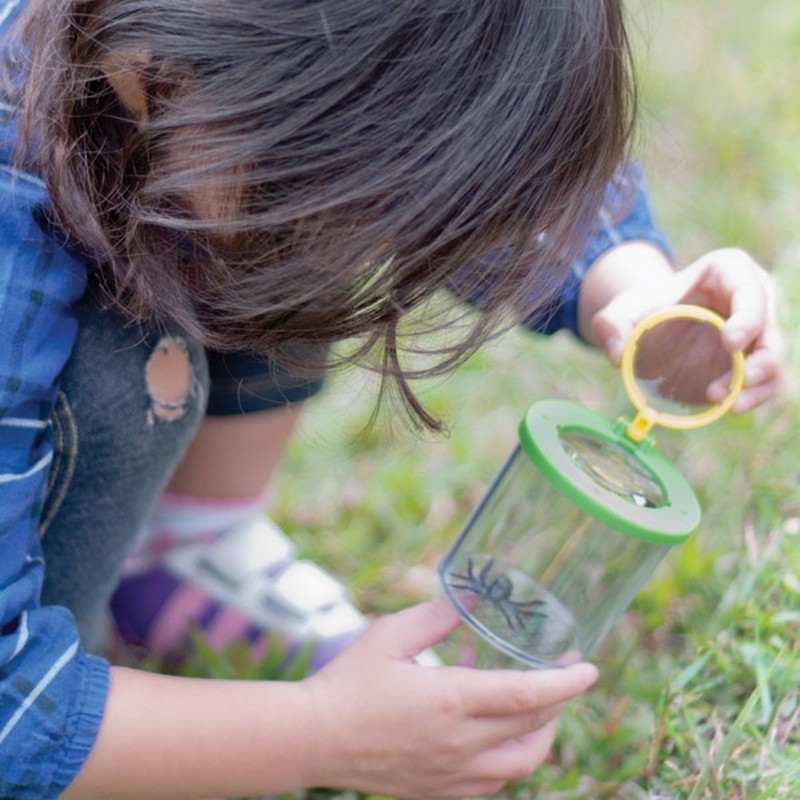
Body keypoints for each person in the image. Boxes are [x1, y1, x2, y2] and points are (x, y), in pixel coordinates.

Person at [0, 1, 783, 799]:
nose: (388, 254)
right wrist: (321, 735)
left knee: (292, 225)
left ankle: (185, 543)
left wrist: (642, 294)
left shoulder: (234, 89)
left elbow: (468, 149)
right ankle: (75, 631)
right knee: (160, 341)